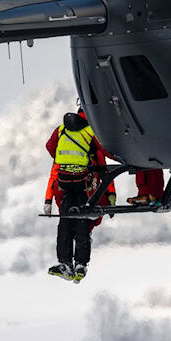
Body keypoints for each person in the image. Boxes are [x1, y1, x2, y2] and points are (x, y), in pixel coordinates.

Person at [44, 108, 115, 282]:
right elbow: (105, 154)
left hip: (65, 183)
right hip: (83, 184)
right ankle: (81, 264)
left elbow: (50, 147)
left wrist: (48, 199)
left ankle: (64, 263)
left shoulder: (61, 129)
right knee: (83, 223)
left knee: (65, 223)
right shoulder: (91, 130)